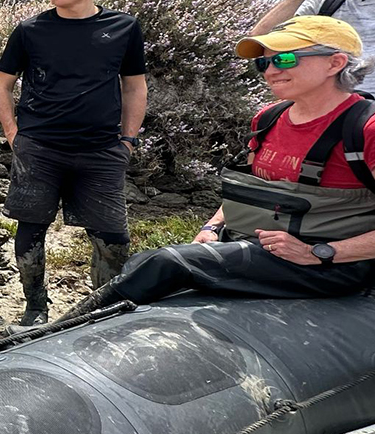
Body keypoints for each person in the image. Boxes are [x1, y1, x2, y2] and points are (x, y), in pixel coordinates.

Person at [58, 17, 375, 319]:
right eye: (264, 62)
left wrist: (320, 252)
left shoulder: (367, 127)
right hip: (255, 246)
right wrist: (212, 227)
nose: (271, 71)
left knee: (167, 262)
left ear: (335, 63)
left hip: (330, 265)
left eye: (286, 59)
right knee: (148, 263)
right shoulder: (268, 119)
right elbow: (253, 190)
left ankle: (51, 331)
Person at [0, 0, 148, 328]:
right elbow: (2, 86)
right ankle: (34, 309)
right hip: (39, 148)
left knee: (112, 236)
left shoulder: (125, 27)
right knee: (31, 229)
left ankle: (104, 313)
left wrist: (127, 140)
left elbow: (135, 88)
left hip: (101, 150)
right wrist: (14, 135)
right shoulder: (30, 30)